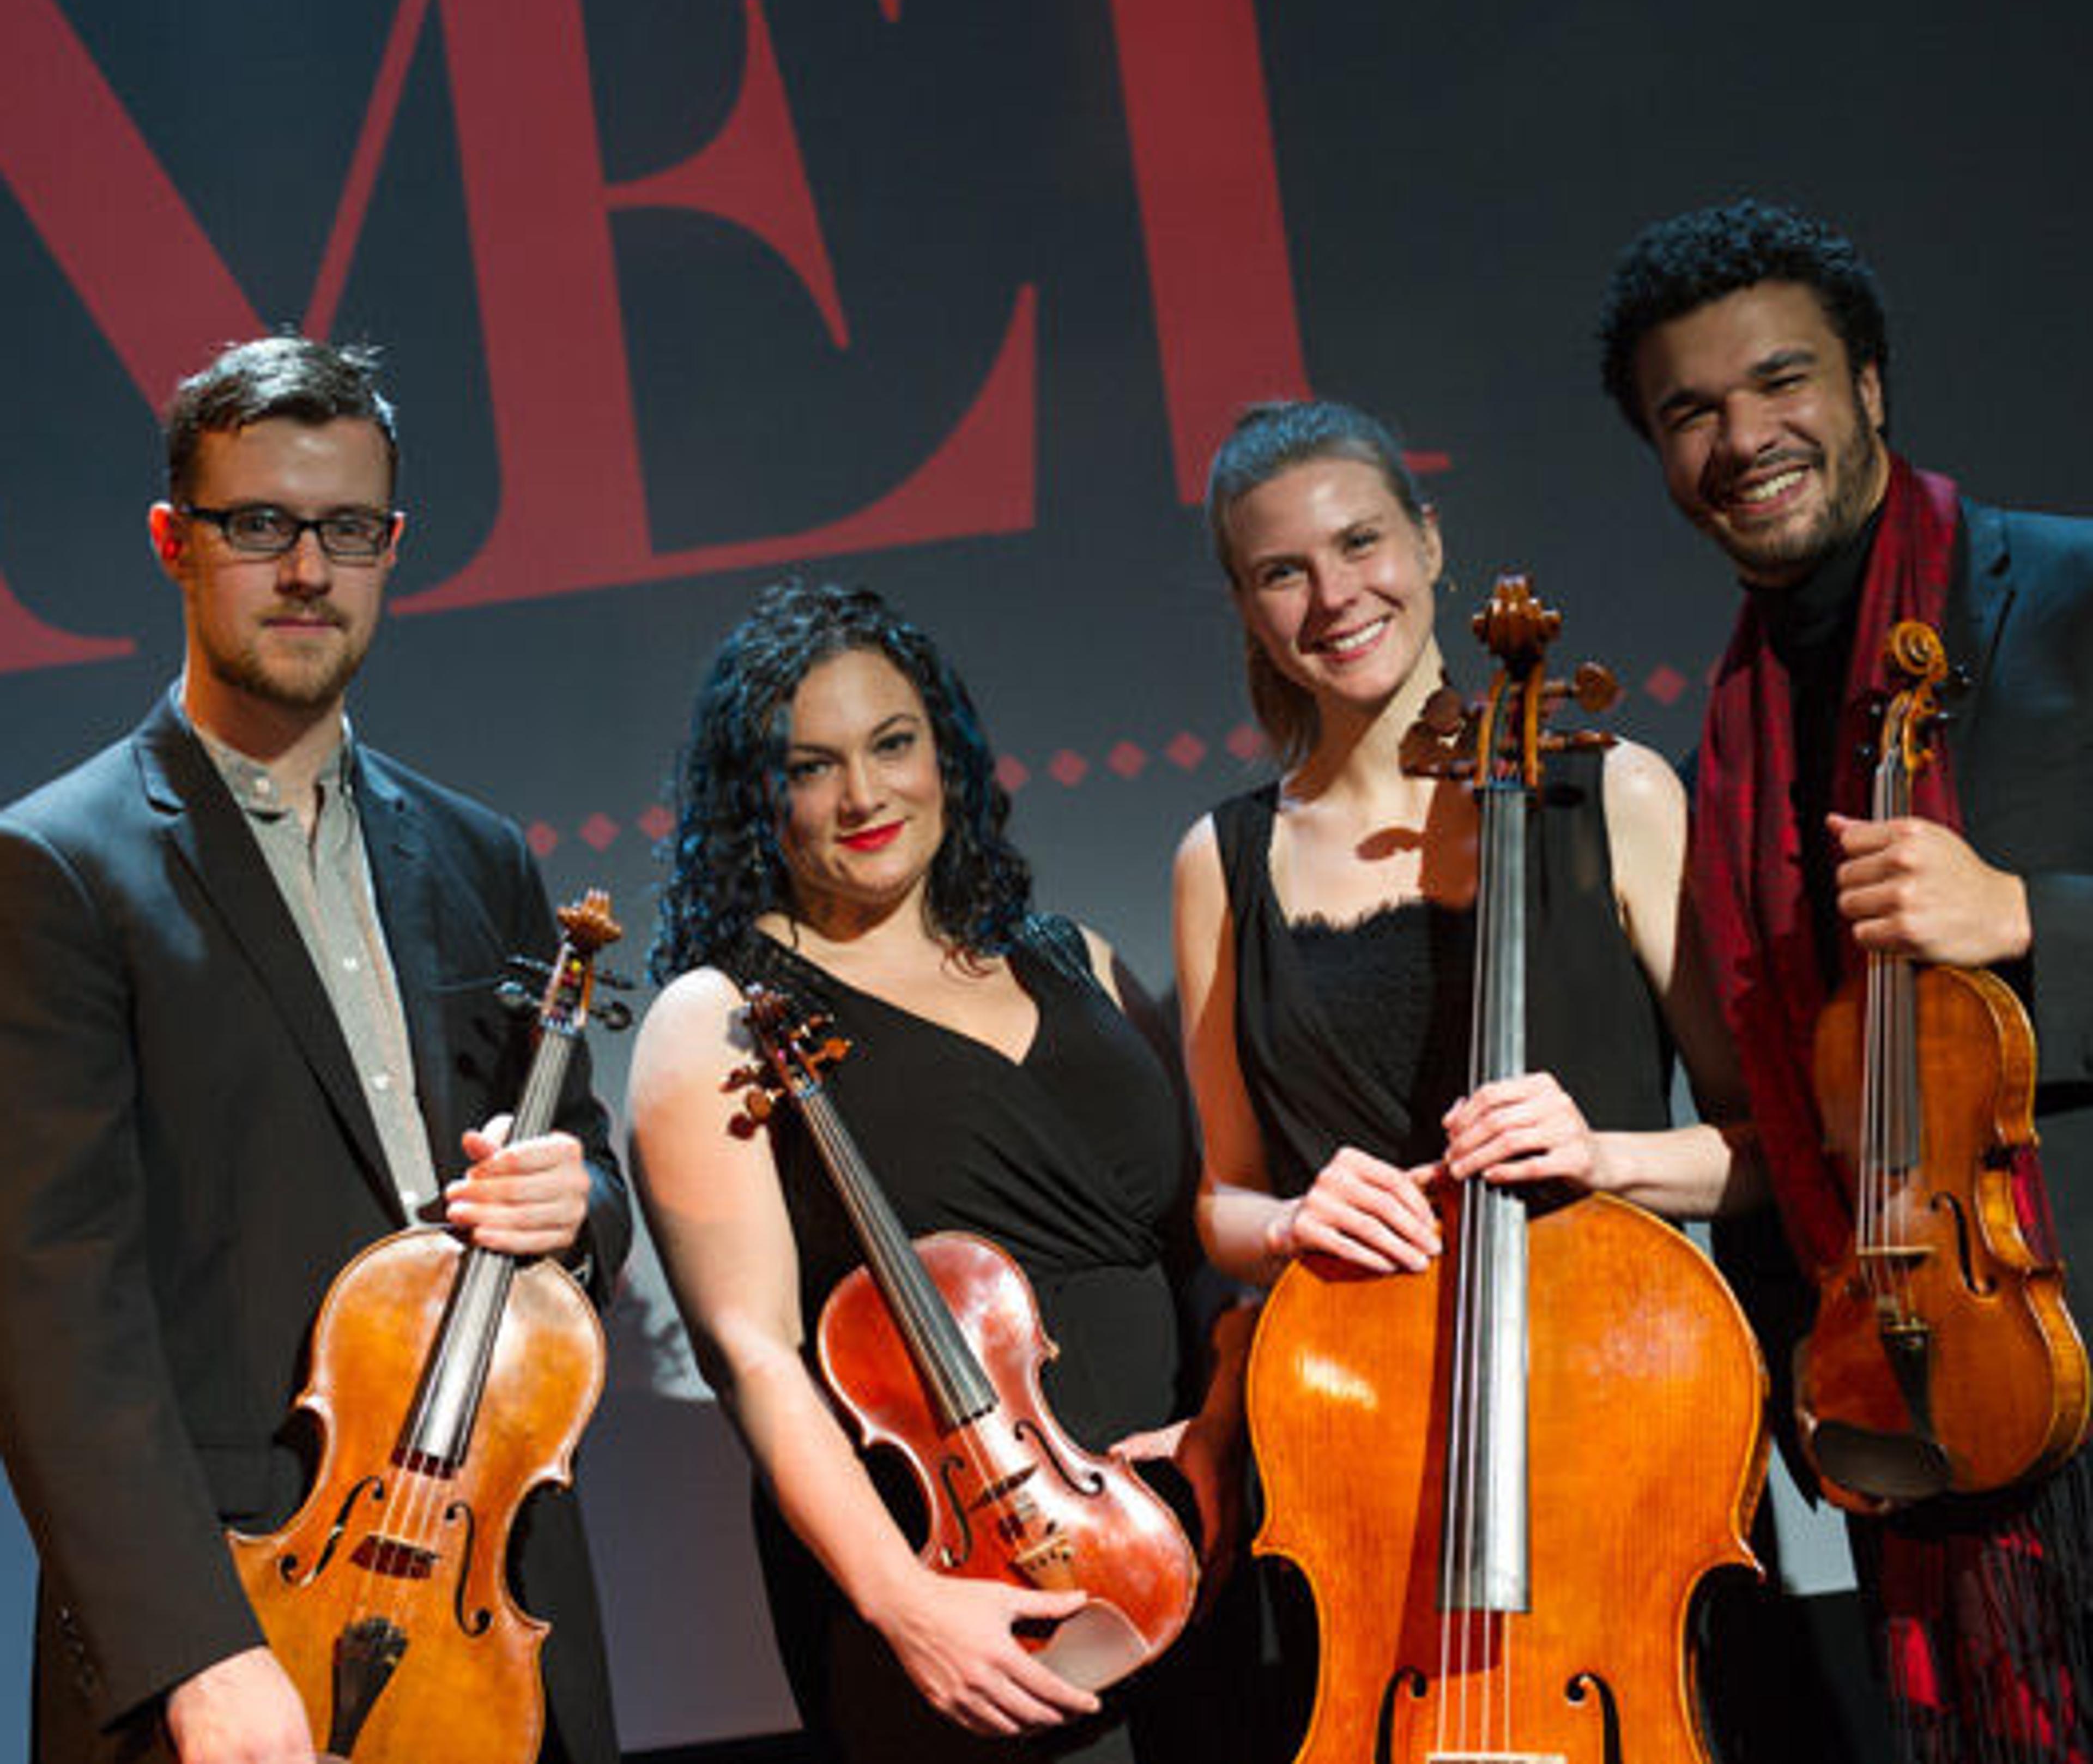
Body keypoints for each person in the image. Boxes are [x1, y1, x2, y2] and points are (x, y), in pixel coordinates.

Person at [0, 336, 631, 1764]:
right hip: (235, 1630)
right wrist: (190, 1649)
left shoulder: (480, 854)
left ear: (390, 549)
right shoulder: (55, 870)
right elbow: (52, 1317)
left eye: (346, 530)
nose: (306, 571)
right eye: (260, 525)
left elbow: (584, 1168)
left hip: (494, 1608)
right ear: (175, 542)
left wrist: (579, 1203)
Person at [1599, 196, 2093, 1764]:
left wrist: (2028, 914)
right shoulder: (1728, 747)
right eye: (1690, 412)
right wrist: (1816, 1359)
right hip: (1935, 1414)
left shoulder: (2070, 595)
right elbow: (1789, 1116)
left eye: (1782, 380)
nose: (1744, 437)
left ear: (1869, 384)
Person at [627, 581, 1253, 1763]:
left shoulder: (1079, 960)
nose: (864, 795)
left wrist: (1220, 1438)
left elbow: (1202, 1255)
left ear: (946, 754)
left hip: (1195, 1546)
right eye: (811, 766)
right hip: (975, 1599)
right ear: (753, 798)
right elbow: (752, 1355)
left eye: (892, 743)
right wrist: (904, 1603)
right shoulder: (718, 1019)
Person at [1175, 397, 1758, 1297]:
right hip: (1350, 1366)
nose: (1334, 596)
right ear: (1247, 608)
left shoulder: (1618, 795)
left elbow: (1770, 1149)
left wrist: (1602, 1157)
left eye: (1361, 543)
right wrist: (1288, 1222)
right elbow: (1226, 1198)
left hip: (1618, 1352)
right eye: (1284, 573)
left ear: (1429, 542)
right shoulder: (1221, 862)